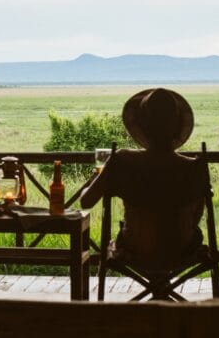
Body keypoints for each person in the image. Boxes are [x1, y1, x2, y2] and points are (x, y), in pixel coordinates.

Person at [79, 88, 206, 271]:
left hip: (135, 249)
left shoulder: (122, 161)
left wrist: (96, 180)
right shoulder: (193, 167)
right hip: (182, 250)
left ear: (142, 127)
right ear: (177, 126)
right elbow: (196, 215)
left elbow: (86, 201)